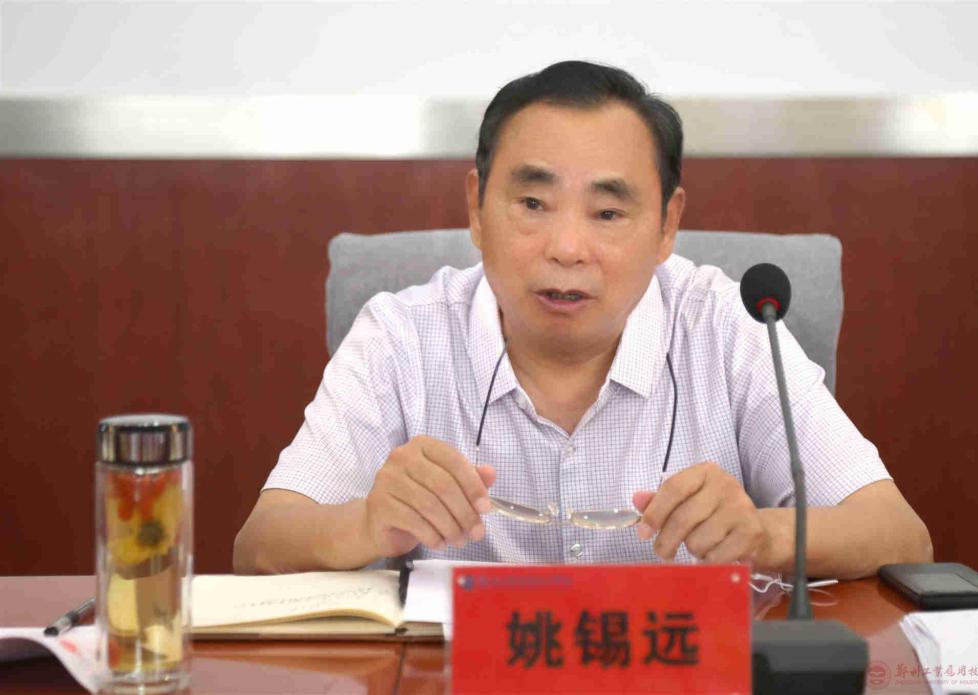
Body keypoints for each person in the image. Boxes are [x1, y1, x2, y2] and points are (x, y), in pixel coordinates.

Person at [234, 60, 932, 578]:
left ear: (667, 225)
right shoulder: (401, 336)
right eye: (533, 204)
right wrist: (365, 523)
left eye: (607, 212)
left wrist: (763, 534)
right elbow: (260, 544)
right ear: (476, 208)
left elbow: (899, 535)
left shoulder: (725, 327)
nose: (567, 248)